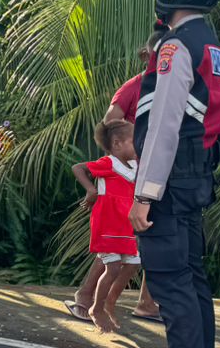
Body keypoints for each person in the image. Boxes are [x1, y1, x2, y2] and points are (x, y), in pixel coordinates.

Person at [121, 0, 220, 348]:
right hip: (194, 177)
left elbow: (166, 123)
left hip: (168, 182)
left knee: (171, 285)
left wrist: (145, 193)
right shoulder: (213, 45)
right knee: (193, 282)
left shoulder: (175, 47)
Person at [66, 31, 163, 323]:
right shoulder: (133, 88)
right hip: (131, 175)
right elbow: (109, 126)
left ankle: (147, 302)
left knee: (154, 237)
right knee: (119, 244)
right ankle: (87, 299)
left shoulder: (175, 87)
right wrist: (129, 148)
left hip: (156, 170)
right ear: (147, 56)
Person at [72, 119, 141, 334]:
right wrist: (91, 190)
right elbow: (78, 168)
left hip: (126, 224)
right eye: (134, 141)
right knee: (112, 267)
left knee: (133, 264)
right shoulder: (108, 163)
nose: (138, 146)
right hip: (108, 223)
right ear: (118, 144)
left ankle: (110, 301)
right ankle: (97, 308)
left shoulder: (135, 165)